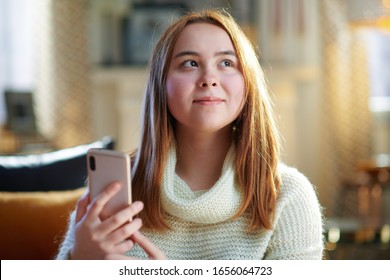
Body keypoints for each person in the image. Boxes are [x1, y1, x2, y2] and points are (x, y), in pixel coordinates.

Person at [56, 9, 323, 260]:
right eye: (190, 63)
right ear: (162, 84)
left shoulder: (288, 195)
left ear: (247, 83)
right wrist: (78, 260)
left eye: (227, 62)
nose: (209, 78)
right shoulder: (113, 191)